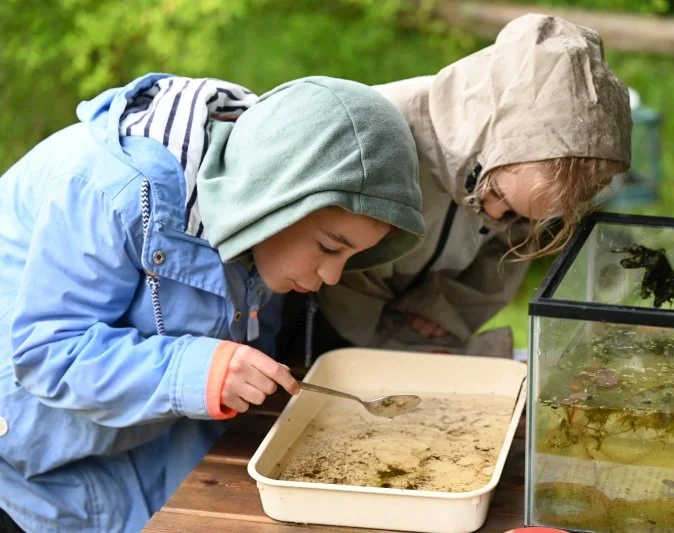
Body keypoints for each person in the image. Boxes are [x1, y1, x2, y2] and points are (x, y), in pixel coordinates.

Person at [0, 73, 424, 532]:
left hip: (134, 448)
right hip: (23, 461)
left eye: (351, 256)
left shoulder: (251, 199)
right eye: (328, 246)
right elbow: (48, 353)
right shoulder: (111, 188)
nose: (332, 276)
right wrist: (200, 371)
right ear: (279, 196)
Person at [278, 13, 633, 361]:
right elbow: (326, 248)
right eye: (498, 196)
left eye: (515, 217)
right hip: (312, 306)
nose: (494, 217)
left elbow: (505, 256)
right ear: (488, 137)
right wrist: (375, 333)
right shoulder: (376, 132)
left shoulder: (540, 184)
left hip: (414, 323)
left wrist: (442, 310)